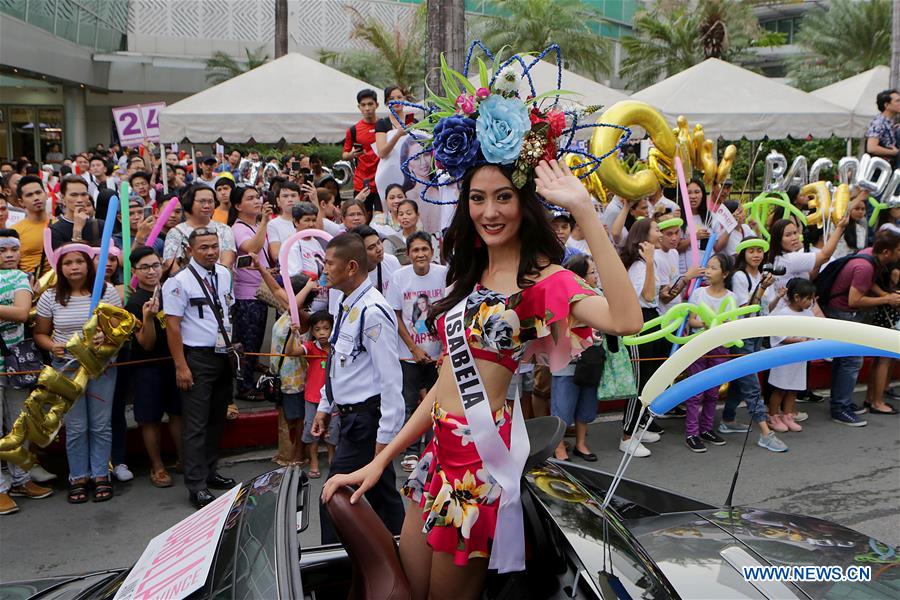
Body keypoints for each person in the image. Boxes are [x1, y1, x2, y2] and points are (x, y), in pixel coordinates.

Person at [323, 156, 642, 597]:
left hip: (477, 464)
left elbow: (626, 319)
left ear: (524, 203)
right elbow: (443, 387)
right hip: (437, 454)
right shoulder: (472, 272)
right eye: (477, 198)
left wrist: (586, 212)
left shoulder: (544, 281)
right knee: (411, 590)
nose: (489, 211)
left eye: (503, 197)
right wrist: (378, 463)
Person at [309, 232, 405, 542]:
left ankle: (332, 569)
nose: (324, 270)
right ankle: (406, 557)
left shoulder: (372, 311)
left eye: (329, 264)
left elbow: (391, 380)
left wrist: (385, 438)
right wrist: (325, 406)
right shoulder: (347, 303)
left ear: (351, 267)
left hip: (367, 423)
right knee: (382, 497)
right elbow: (339, 362)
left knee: (334, 496)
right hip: (351, 417)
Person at [33, 245, 121, 503]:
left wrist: (107, 336)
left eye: (79, 261)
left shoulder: (107, 291)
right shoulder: (51, 297)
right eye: (68, 262)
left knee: (101, 425)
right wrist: (53, 346)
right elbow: (40, 333)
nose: (74, 267)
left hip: (101, 367)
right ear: (59, 267)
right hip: (67, 368)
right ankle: (78, 476)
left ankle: (101, 474)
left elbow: (120, 332)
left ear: (89, 264)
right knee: (76, 426)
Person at [162, 228, 237, 509]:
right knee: (195, 424)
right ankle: (196, 485)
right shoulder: (179, 282)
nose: (210, 252)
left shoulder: (224, 274)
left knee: (217, 418)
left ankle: (209, 471)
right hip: (196, 358)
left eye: (214, 246)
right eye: (203, 247)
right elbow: (172, 326)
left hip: (222, 355)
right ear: (190, 250)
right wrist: (181, 366)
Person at [821, 229, 900, 424]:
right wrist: (886, 299)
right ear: (887, 252)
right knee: (851, 360)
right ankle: (840, 407)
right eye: (898, 249)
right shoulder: (865, 266)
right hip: (844, 314)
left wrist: (883, 295)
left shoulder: (868, 253)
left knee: (844, 360)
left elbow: (864, 284)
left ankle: (841, 402)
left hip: (841, 312)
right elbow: (855, 299)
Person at [0, 229, 53, 514]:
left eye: (13, 249)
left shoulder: (21, 277)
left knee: (18, 424)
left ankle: (20, 478)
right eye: (2, 250)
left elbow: (21, 312)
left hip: (15, 364)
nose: (9, 255)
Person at [386, 231, 448, 471]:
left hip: (438, 353)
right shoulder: (399, 277)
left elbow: (450, 310)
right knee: (410, 404)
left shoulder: (443, 274)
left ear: (432, 252)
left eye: (424, 249)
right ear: (409, 254)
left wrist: (445, 348)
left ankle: (434, 449)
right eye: (415, 250)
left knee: (438, 403)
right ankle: (411, 451)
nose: (420, 254)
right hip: (408, 354)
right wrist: (413, 348)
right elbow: (396, 315)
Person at [721, 237, 787, 452]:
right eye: (751, 251)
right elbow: (746, 309)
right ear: (743, 254)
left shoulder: (761, 276)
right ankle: (765, 433)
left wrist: (775, 296)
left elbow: (763, 307)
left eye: (759, 251)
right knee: (751, 385)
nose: (756, 255)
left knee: (741, 382)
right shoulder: (740, 276)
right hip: (743, 335)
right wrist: (761, 288)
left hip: (757, 333)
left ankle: (728, 420)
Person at [125, 246, 182, 487]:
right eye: (144, 267)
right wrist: (148, 318)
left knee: (179, 413)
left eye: (155, 265)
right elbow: (146, 344)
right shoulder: (135, 302)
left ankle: (184, 460)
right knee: (149, 419)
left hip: (174, 362)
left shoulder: (173, 291)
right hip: (147, 367)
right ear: (135, 271)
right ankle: (157, 467)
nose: (151, 271)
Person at [620, 218, 665, 457]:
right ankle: (626, 435)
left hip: (651, 320)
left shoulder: (649, 262)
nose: (661, 232)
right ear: (644, 237)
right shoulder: (640, 264)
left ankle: (637, 426)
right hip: (640, 323)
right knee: (638, 381)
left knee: (648, 379)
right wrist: (648, 262)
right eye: (657, 229)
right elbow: (648, 296)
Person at [550, 253, 601, 462]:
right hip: (566, 361)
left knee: (587, 404)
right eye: (592, 272)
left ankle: (581, 444)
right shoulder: (562, 298)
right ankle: (558, 446)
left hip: (590, 359)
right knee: (563, 406)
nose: (596, 276)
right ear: (579, 276)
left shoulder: (597, 295)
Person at [683, 253, 734, 453]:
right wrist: (708, 323)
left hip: (720, 346)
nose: (708, 272)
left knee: (713, 392)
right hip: (699, 344)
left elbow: (732, 323)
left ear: (725, 273)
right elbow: (691, 320)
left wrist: (719, 325)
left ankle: (706, 429)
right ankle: (691, 433)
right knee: (696, 391)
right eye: (708, 267)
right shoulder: (699, 293)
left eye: (714, 268)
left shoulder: (731, 297)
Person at [229, 185, 274, 399]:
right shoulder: (238, 228)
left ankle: (248, 382)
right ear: (238, 205)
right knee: (247, 343)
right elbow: (251, 249)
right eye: (250, 198)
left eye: (258, 197)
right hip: (246, 295)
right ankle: (244, 387)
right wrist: (265, 222)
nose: (257, 201)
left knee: (254, 342)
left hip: (258, 292)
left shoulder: (255, 225)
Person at [767, 278, 818, 433]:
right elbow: (779, 336)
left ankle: (788, 416)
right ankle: (773, 416)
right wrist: (798, 340)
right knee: (780, 389)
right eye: (809, 298)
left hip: (799, 360)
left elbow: (815, 332)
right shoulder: (782, 314)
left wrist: (810, 339)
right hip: (784, 360)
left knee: (793, 389)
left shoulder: (809, 314)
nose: (811, 302)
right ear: (797, 297)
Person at [293, 311, 339, 478]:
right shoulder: (310, 347)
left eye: (326, 328)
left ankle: (332, 458)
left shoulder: (337, 348)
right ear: (312, 331)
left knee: (332, 430)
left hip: (333, 397)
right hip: (312, 398)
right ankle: (313, 461)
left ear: (333, 330)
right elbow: (292, 351)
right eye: (317, 329)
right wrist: (293, 334)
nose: (322, 333)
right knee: (312, 431)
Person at [163, 184, 236, 273]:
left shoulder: (224, 229)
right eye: (202, 201)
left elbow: (227, 261)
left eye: (210, 202)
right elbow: (170, 264)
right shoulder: (176, 232)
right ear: (190, 202)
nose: (206, 206)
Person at [343, 89, 381, 213]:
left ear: (377, 105)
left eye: (370, 104)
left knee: (383, 219)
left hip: (382, 180)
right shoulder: (353, 130)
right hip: (362, 182)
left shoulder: (385, 126)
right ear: (359, 107)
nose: (367, 108)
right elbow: (344, 154)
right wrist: (351, 155)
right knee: (360, 217)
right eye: (363, 105)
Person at [50, 175, 104, 249]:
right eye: (74, 195)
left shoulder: (99, 225)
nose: (80, 200)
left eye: (84, 194)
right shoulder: (54, 230)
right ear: (63, 198)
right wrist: (77, 231)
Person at [11, 175, 50, 275]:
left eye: (38, 193)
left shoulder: (59, 224)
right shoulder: (15, 231)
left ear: (46, 195)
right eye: (29, 195)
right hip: (29, 286)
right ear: (21, 202)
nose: (36, 198)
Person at [350, 224, 401, 296]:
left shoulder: (391, 261)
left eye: (379, 242)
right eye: (371, 247)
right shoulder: (347, 276)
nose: (379, 249)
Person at [266, 181, 303, 261]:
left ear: (299, 198)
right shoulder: (273, 224)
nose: (290, 199)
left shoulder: (308, 220)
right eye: (285, 196)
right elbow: (276, 255)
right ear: (278, 201)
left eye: (293, 196)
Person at [866, 89, 900, 164]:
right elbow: (871, 148)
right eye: (897, 101)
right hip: (880, 170)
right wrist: (893, 152)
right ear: (886, 105)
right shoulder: (879, 122)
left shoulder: (889, 122)